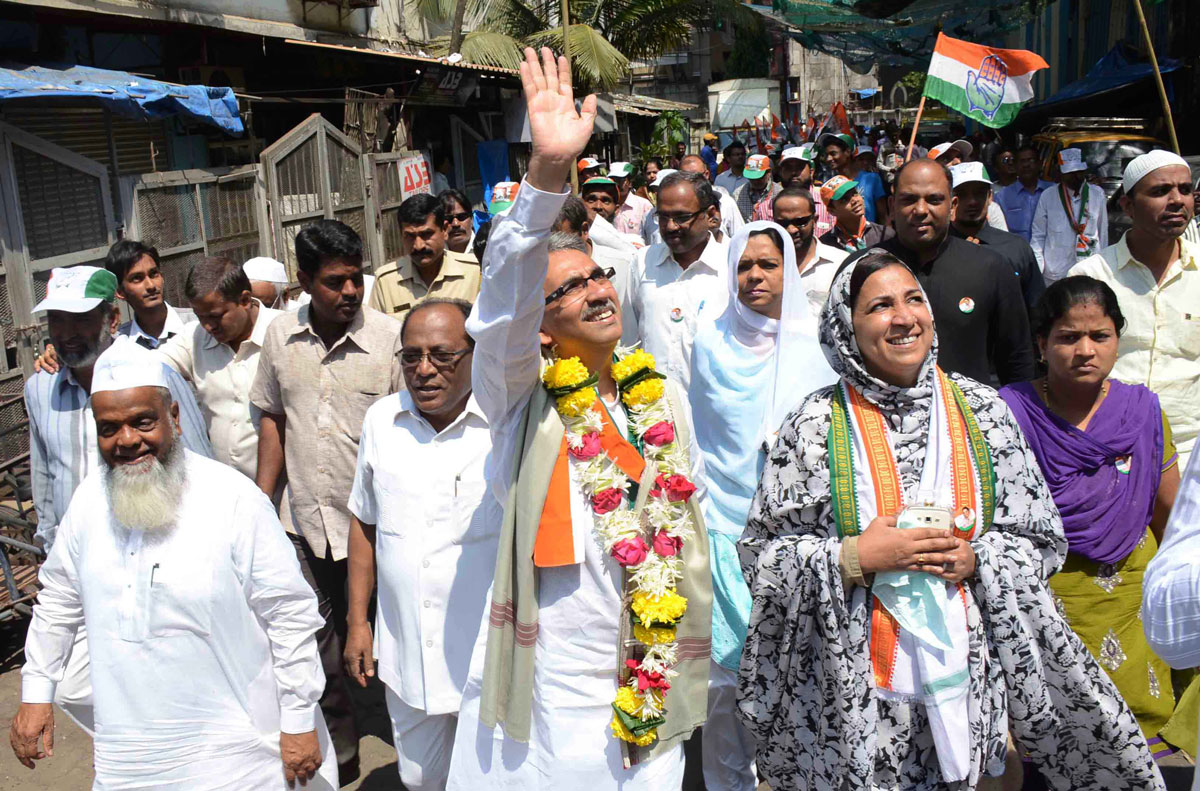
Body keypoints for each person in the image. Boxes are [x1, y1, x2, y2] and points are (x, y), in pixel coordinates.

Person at [738, 250, 1163, 790]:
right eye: (880, 306)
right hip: (852, 694)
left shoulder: (984, 411)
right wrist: (852, 557)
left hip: (967, 678)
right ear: (846, 326)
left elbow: (1039, 539)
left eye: (913, 299)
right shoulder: (813, 424)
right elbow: (762, 556)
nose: (903, 318)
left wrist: (976, 558)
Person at [447, 47, 711, 790]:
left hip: (650, 658)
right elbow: (500, 308)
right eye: (568, 289)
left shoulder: (658, 396)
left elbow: (684, 515)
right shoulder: (517, 400)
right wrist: (546, 173)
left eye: (598, 275)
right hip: (556, 679)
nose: (597, 290)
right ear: (538, 326)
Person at [11, 339, 338, 789]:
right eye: (109, 428)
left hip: (237, 753)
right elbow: (58, 601)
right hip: (130, 756)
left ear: (175, 418)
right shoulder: (89, 502)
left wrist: (298, 718)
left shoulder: (233, 499)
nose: (127, 440)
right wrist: (36, 692)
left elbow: (289, 614)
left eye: (142, 422)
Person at [1000, 276, 1188, 760]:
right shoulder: (1008, 413)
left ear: (1117, 340)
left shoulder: (1141, 410)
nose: (1085, 350)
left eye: (1099, 336)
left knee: (1144, 756)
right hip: (1045, 600)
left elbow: (1171, 516)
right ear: (1041, 344)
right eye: (1068, 337)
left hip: (1132, 597)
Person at [23, 265, 213, 736]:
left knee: (169, 671)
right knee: (73, 686)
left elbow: (198, 457)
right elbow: (45, 475)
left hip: (157, 551)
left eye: (80, 320)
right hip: (84, 563)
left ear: (111, 320)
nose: (67, 333)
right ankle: (138, 746)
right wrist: (49, 546)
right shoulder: (40, 388)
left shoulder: (154, 373)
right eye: (57, 321)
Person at [251, 219, 404, 781]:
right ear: (304, 281)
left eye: (356, 278)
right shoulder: (279, 338)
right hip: (302, 525)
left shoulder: (391, 340)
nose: (350, 291)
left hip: (374, 530)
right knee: (318, 647)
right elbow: (273, 417)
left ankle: (409, 745)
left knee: (386, 641)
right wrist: (262, 503)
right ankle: (341, 754)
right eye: (335, 282)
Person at [688, 222, 835, 791]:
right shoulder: (710, 340)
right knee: (725, 682)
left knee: (799, 671)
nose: (754, 276)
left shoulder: (816, 345)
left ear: (788, 270)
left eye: (768, 265)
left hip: (797, 535)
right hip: (722, 523)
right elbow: (699, 433)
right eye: (743, 266)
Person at [344, 299, 498, 791]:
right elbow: (364, 523)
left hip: (485, 660)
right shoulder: (381, 421)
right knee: (420, 779)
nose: (424, 370)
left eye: (442, 355)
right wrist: (357, 623)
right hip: (407, 653)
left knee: (490, 779)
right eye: (411, 356)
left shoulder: (504, 424)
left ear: (475, 354)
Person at [846, 159, 1034, 386]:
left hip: (968, 407)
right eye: (909, 199)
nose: (921, 210)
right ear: (892, 205)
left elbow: (1017, 362)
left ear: (952, 206)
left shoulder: (991, 267)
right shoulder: (859, 269)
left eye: (934, 200)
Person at [1069, 150, 1199, 470]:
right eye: (1160, 191)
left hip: (1190, 450)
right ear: (1128, 206)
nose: (1176, 200)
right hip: (1109, 449)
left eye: (1185, 190)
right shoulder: (1092, 278)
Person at [625, 170, 729, 387]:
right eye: (663, 217)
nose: (670, 226)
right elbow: (630, 340)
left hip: (710, 402)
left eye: (681, 217)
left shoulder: (731, 267)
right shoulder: (642, 261)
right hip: (652, 403)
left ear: (710, 215)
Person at [371, 193, 482, 323]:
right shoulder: (385, 282)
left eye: (426, 234)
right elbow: (376, 332)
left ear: (445, 230)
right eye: (410, 236)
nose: (418, 246)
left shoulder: (475, 273)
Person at [950, 162, 1045, 313]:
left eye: (979, 193)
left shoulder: (1016, 248)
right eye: (962, 194)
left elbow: (1037, 307)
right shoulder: (938, 249)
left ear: (990, 197)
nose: (972, 201)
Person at [1032, 148, 1108, 284]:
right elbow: (1038, 236)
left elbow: (1103, 234)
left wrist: (1103, 268)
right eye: (1070, 173)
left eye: (1078, 172)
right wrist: (1037, 270)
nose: (1075, 176)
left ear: (1084, 171)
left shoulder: (1097, 194)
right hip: (1056, 272)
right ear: (1061, 173)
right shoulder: (1048, 196)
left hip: (1088, 269)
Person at [104, 239, 196, 348]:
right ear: (120, 292)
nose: (151, 286)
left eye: (154, 274)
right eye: (137, 278)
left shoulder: (197, 324)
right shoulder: (118, 344)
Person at [773, 187, 847, 315]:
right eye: (783, 223)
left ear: (815, 220)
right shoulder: (765, 266)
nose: (791, 230)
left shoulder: (841, 263)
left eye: (800, 222)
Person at [820, 131, 887, 225]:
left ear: (847, 152)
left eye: (833, 153)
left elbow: (883, 215)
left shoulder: (871, 179)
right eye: (826, 155)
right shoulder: (831, 185)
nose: (828, 159)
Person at [818, 175, 893, 253]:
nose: (855, 200)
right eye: (844, 200)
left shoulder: (885, 235)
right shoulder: (825, 246)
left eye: (855, 193)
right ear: (832, 211)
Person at [678, 154, 743, 241]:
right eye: (685, 177)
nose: (690, 182)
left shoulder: (725, 203)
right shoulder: (674, 206)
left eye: (695, 177)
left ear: (706, 175)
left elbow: (740, 238)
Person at [996, 144, 1053, 242]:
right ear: (1015, 166)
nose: (1026, 165)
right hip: (1016, 250)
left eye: (1031, 160)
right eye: (1022, 161)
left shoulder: (1054, 191)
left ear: (1040, 164)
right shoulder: (1002, 197)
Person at [731, 154, 779, 223]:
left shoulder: (778, 193)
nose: (755, 181)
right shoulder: (738, 195)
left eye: (759, 177)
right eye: (752, 177)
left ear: (768, 173)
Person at [611, 161, 654, 238]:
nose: (616, 184)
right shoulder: (607, 206)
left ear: (630, 183)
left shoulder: (644, 206)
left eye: (620, 180)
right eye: (613, 180)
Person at [439, 188, 478, 258]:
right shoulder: (434, 255)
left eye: (462, 217)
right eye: (448, 218)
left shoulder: (487, 249)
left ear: (472, 219)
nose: (456, 224)